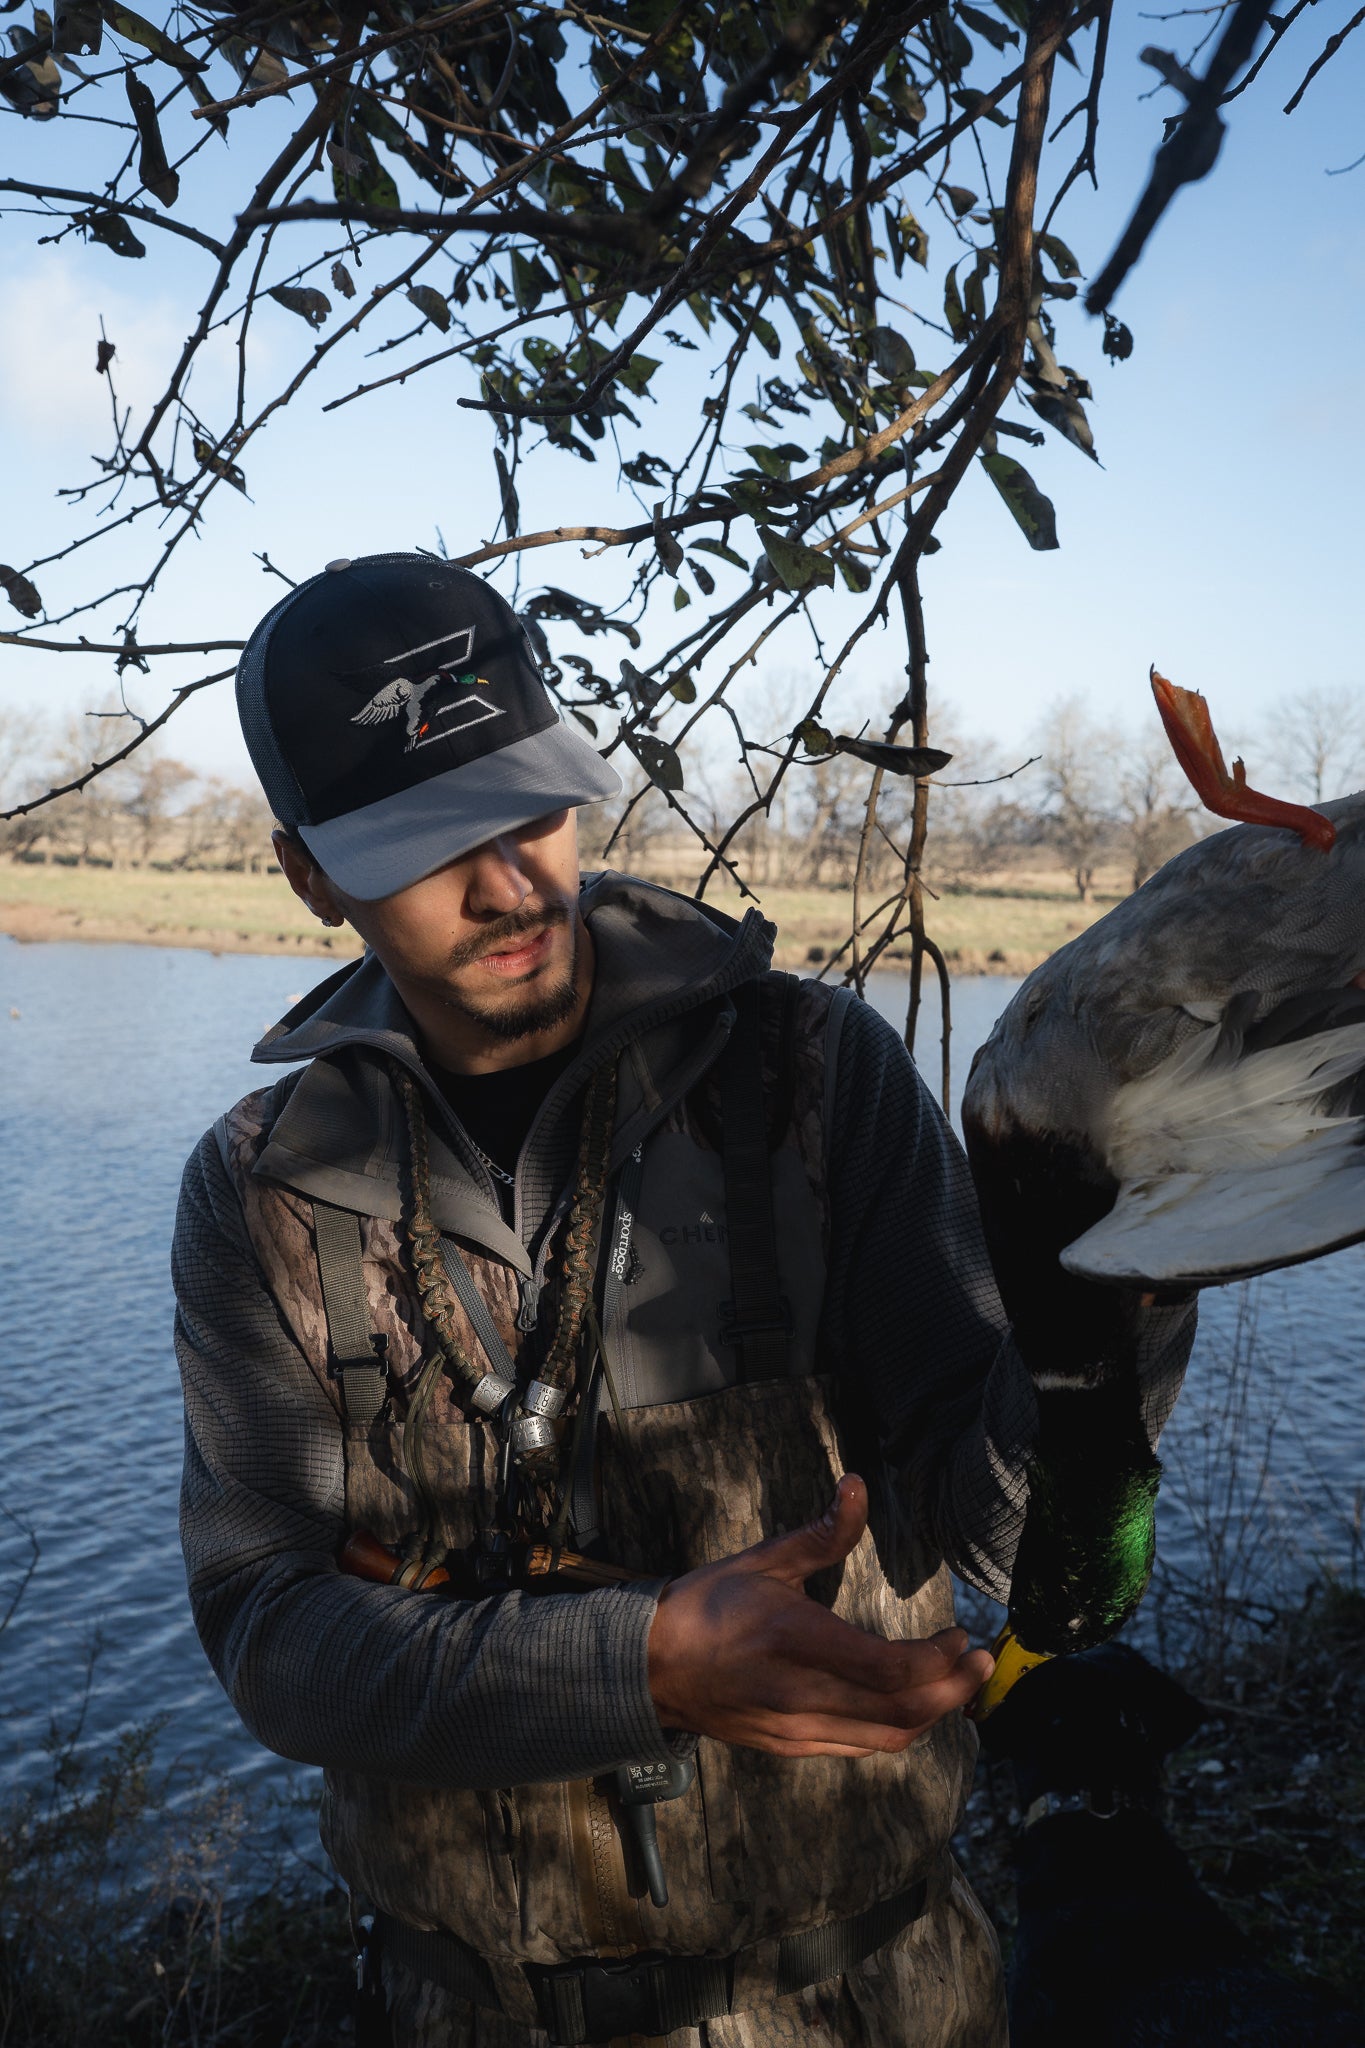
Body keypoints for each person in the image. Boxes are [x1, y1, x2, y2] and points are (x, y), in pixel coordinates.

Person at [173, 553, 1194, 2048]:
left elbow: (1001, 1542)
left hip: (877, 1999)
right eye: (424, 845)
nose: (511, 884)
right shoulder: (266, 1187)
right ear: (310, 874)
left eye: (530, 807)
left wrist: (1125, 1279)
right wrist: (638, 1665)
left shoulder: (818, 1075)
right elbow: (271, 1636)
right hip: (465, 2015)